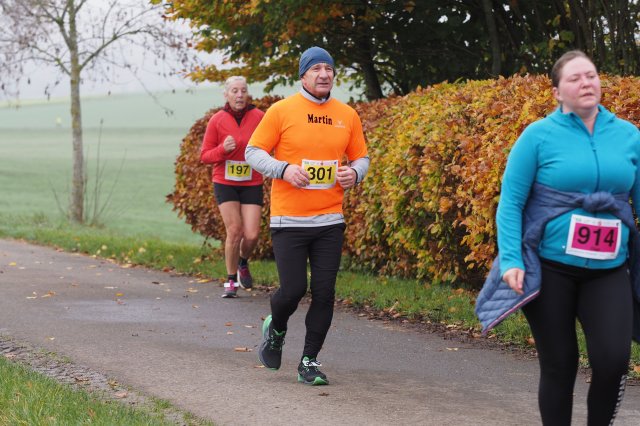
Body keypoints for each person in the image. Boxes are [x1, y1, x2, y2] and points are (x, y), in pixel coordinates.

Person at [475, 50, 640, 425]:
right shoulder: (537, 136)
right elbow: (511, 203)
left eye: (591, 75)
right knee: (560, 364)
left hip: (609, 269)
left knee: (613, 360)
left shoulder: (629, 136)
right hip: (551, 270)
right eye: (575, 78)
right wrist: (511, 260)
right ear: (556, 92)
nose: (586, 83)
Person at [245, 46, 370, 385]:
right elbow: (253, 152)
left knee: (325, 292)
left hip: (330, 220)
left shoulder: (347, 115)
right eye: (316, 69)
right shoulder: (281, 111)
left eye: (328, 69)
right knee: (293, 290)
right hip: (289, 220)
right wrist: (284, 169)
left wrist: (354, 174)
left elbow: (361, 157)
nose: (323, 74)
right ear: (303, 75)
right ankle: (276, 329)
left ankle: (309, 361)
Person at [200, 76, 265, 298]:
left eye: (243, 91)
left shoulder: (259, 117)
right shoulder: (217, 120)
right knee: (235, 230)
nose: (239, 95)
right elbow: (205, 156)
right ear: (226, 95)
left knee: (252, 235)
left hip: (251, 181)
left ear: (248, 94)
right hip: (225, 182)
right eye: (235, 91)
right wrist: (222, 150)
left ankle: (242, 262)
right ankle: (230, 280)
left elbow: (271, 143)